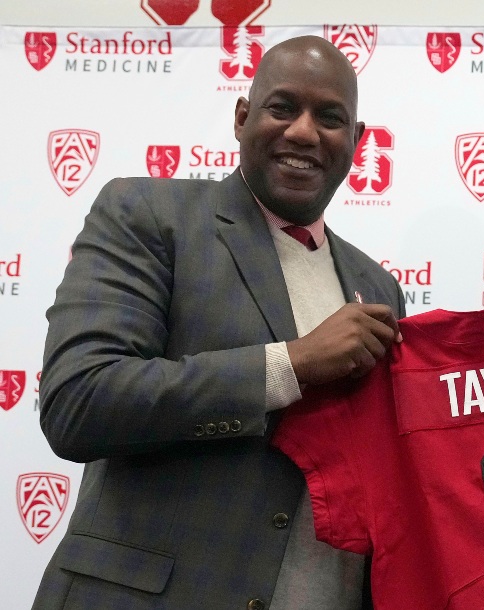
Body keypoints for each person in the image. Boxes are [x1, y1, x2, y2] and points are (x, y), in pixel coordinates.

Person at [33, 36, 404, 609]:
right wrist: (293, 363)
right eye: (283, 107)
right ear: (241, 117)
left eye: (330, 118)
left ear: (356, 141)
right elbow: (78, 401)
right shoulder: (149, 215)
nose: (304, 132)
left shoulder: (378, 289)